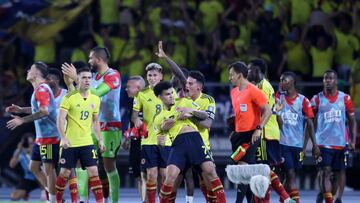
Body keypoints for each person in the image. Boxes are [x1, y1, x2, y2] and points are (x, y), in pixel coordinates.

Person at [156, 41, 217, 202]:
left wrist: (190, 114)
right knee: (173, 179)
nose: (174, 79)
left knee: (207, 181)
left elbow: (207, 123)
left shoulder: (205, 99)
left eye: (189, 82)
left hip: (200, 142)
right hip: (178, 142)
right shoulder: (174, 97)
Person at [62, 47, 122, 203]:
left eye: (90, 58)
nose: (89, 61)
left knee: (108, 166)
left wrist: (77, 78)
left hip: (110, 125)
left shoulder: (113, 75)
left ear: (99, 59)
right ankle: (83, 199)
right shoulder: (93, 77)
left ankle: (113, 201)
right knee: (83, 163)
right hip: (90, 125)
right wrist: (70, 82)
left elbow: (97, 93)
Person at [152, 81, 226, 203]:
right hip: (178, 145)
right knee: (170, 177)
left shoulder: (184, 101)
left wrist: (190, 111)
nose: (171, 96)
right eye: (167, 94)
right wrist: (162, 135)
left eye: (172, 93)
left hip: (194, 139)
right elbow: (160, 141)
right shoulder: (158, 117)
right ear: (159, 97)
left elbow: (204, 115)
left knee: (211, 171)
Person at [6, 62, 60, 203]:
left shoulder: (42, 90)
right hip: (42, 137)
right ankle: (52, 193)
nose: (28, 71)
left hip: (50, 137)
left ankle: (54, 200)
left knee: (49, 170)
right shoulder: (40, 90)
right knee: (33, 167)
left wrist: (23, 120)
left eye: (31, 69)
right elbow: (39, 108)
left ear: (36, 74)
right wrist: (22, 110)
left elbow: (44, 111)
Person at [55, 67, 105, 203]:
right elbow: (60, 120)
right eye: (84, 77)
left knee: (94, 172)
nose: (87, 80)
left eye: (89, 77)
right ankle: (58, 200)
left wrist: (100, 139)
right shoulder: (69, 97)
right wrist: (64, 138)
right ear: (77, 80)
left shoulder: (95, 99)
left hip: (87, 142)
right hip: (70, 143)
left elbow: (95, 122)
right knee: (64, 173)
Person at [311, 70, 357, 203]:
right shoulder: (316, 99)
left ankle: (338, 198)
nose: (327, 81)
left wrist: (352, 140)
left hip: (341, 143)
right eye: (325, 78)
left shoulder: (345, 98)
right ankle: (327, 198)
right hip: (323, 143)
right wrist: (313, 143)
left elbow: (352, 121)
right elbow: (311, 122)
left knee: (339, 173)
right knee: (325, 171)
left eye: (331, 78)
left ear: (336, 81)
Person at [131, 63, 173, 203]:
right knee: (151, 175)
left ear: (161, 76)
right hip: (148, 140)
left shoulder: (169, 92)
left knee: (164, 175)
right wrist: (136, 120)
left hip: (166, 140)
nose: (152, 78)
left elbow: (175, 112)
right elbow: (134, 115)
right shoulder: (141, 94)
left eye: (155, 75)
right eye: (150, 75)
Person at [276, 71, 320, 202]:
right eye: (280, 80)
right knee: (290, 174)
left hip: (297, 145)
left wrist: (314, 145)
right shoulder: (278, 97)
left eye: (284, 80)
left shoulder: (303, 101)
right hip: (282, 144)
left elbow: (310, 124)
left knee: (289, 175)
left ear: (292, 82)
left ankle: (284, 199)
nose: (281, 83)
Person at [47, 67, 79, 203]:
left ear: (57, 80)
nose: (49, 81)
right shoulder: (45, 95)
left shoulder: (66, 93)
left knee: (69, 168)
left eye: (51, 78)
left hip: (64, 137)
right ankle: (52, 199)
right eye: (47, 78)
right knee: (48, 169)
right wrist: (21, 110)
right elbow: (36, 109)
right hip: (47, 139)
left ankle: (74, 200)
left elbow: (78, 101)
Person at [247, 58, 283, 167]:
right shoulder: (262, 86)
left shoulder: (263, 87)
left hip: (265, 134)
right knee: (266, 171)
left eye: (249, 70)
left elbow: (262, 110)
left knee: (262, 170)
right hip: (268, 133)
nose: (246, 72)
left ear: (257, 71)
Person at [124, 76, 147, 203]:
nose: (126, 89)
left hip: (148, 142)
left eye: (129, 87)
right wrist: (127, 138)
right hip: (135, 143)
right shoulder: (132, 102)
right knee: (139, 176)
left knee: (151, 175)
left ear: (138, 88)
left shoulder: (151, 99)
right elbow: (131, 123)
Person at [9, 134, 40, 201]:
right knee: (14, 197)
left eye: (32, 143)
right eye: (28, 144)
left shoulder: (39, 150)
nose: (30, 146)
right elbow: (12, 165)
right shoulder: (21, 152)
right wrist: (19, 150)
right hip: (29, 179)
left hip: (41, 176)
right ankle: (25, 192)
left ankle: (46, 192)